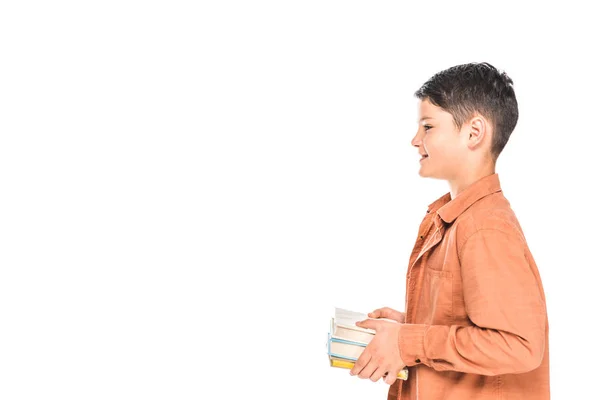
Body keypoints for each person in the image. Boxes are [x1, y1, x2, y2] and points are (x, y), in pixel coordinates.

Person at [348, 62, 550, 399]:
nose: (415, 140)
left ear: (474, 133)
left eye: (428, 127)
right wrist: (406, 327)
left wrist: (408, 340)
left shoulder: (485, 228)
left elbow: (520, 345)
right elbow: (468, 325)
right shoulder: (454, 219)